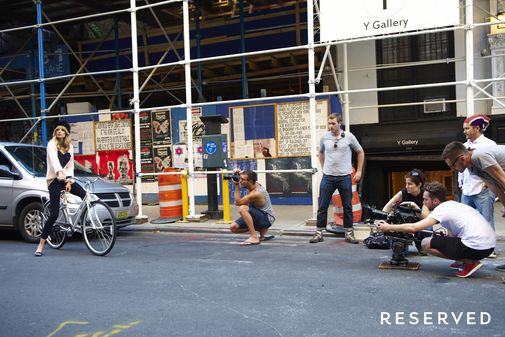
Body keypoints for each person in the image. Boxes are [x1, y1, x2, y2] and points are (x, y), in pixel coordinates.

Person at [377, 182, 495, 278]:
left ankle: (468, 262)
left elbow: (414, 228)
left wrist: (388, 227)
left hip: (477, 247)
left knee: (425, 243)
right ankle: (464, 259)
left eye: (425, 200)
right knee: (444, 237)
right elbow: (447, 230)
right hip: (487, 246)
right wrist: (416, 208)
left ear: (435, 201)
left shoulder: (441, 210)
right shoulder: (451, 204)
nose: (423, 202)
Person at [442, 141, 505, 271]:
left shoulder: (479, 156)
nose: (452, 169)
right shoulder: (472, 168)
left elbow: (503, 179)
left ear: (462, 158)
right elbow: (494, 186)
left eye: (452, 165)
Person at [310, 113, 365, 244]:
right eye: (329, 123)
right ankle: (319, 233)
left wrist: (358, 171)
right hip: (328, 177)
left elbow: (360, 152)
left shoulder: (349, 137)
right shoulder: (324, 137)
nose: (331, 126)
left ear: (339, 123)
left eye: (333, 123)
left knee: (347, 206)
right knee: (322, 206)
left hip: (344, 177)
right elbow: (321, 153)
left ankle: (349, 234)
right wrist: (324, 168)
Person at [34, 120, 86, 256]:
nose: (60, 132)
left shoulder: (70, 147)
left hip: (65, 179)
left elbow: (70, 166)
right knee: (54, 214)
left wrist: (69, 180)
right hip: (54, 180)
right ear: (55, 132)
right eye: (58, 130)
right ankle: (41, 245)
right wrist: (59, 174)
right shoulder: (52, 144)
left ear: (66, 132)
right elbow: (54, 161)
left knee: (84, 194)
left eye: (62, 130)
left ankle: (82, 223)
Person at [458, 114, 497, 258]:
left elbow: (495, 168)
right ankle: (470, 246)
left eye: (467, 128)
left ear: (477, 128)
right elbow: (460, 167)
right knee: (465, 220)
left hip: (483, 189)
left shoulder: (490, 145)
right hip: (466, 190)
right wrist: (460, 183)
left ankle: (490, 249)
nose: (464, 131)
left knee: (486, 219)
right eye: (464, 129)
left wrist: (492, 187)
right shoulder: (463, 146)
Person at [382, 168, 430, 255]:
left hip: (418, 223)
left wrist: (414, 206)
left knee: (428, 228)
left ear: (419, 184)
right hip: (403, 223)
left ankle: (420, 246)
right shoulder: (402, 193)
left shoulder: (425, 195)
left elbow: (426, 218)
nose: (406, 186)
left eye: (410, 184)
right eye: (406, 183)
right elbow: (385, 209)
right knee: (401, 251)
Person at [229, 169, 276, 245]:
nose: (240, 181)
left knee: (242, 208)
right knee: (233, 228)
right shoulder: (253, 182)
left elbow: (237, 203)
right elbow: (249, 174)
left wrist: (236, 185)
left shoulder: (256, 193)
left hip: (267, 218)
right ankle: (260, 229)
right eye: (240, 179)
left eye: (242, 180)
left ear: (250, 182)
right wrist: (238, 172)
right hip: (257, 215)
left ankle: (254, 237)